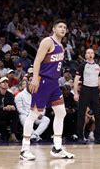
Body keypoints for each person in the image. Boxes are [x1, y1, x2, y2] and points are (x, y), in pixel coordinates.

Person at [20, 19, 74, 160]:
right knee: (34, 114)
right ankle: (24, 149)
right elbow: (37, 60)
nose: (63, 29)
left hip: (54, 83)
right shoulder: (47, 41)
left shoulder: (61, 46)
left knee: (61, 112)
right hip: (43, 81)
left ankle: (57, 147)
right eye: (60, 26)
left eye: (65, 27)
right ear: (54, 29)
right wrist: (35, 78)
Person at [74, 48, 100, 144]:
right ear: (85, 55)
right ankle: (80, 137)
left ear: (94, 54)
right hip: (85, 90)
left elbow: (99, 80)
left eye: (91, 52)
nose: (90, 54)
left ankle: (98, 137)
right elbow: (76, 79)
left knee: (98, 114)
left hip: (95, 91)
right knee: (81, 114)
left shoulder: (97, 66)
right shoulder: (82, 65)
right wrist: (76, 93)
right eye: (88, 53)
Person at [0, 76, 20, 142]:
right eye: (3, 82)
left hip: (7, 113)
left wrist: (12, 107)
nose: (5, 83)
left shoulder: (10, 94)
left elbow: (13, 104)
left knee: (15, 113)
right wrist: (3, 108)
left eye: (7, 82)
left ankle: (12, 135)